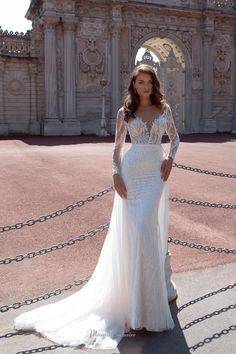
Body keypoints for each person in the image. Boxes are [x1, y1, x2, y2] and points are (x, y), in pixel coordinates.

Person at [14, 63, 180, 349]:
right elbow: (116, 149)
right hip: (131, 172)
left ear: (154, 85)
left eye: (148, 82)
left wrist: (170, 159)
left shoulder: (164, 110)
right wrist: (115, 173)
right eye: (140, 82)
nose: (144, 86)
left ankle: (149, 309)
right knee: (135, 233)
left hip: (154, 174)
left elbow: (175, 139)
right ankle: (133, 305)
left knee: (145, 231)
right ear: (134, 84)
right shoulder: (124, 113)